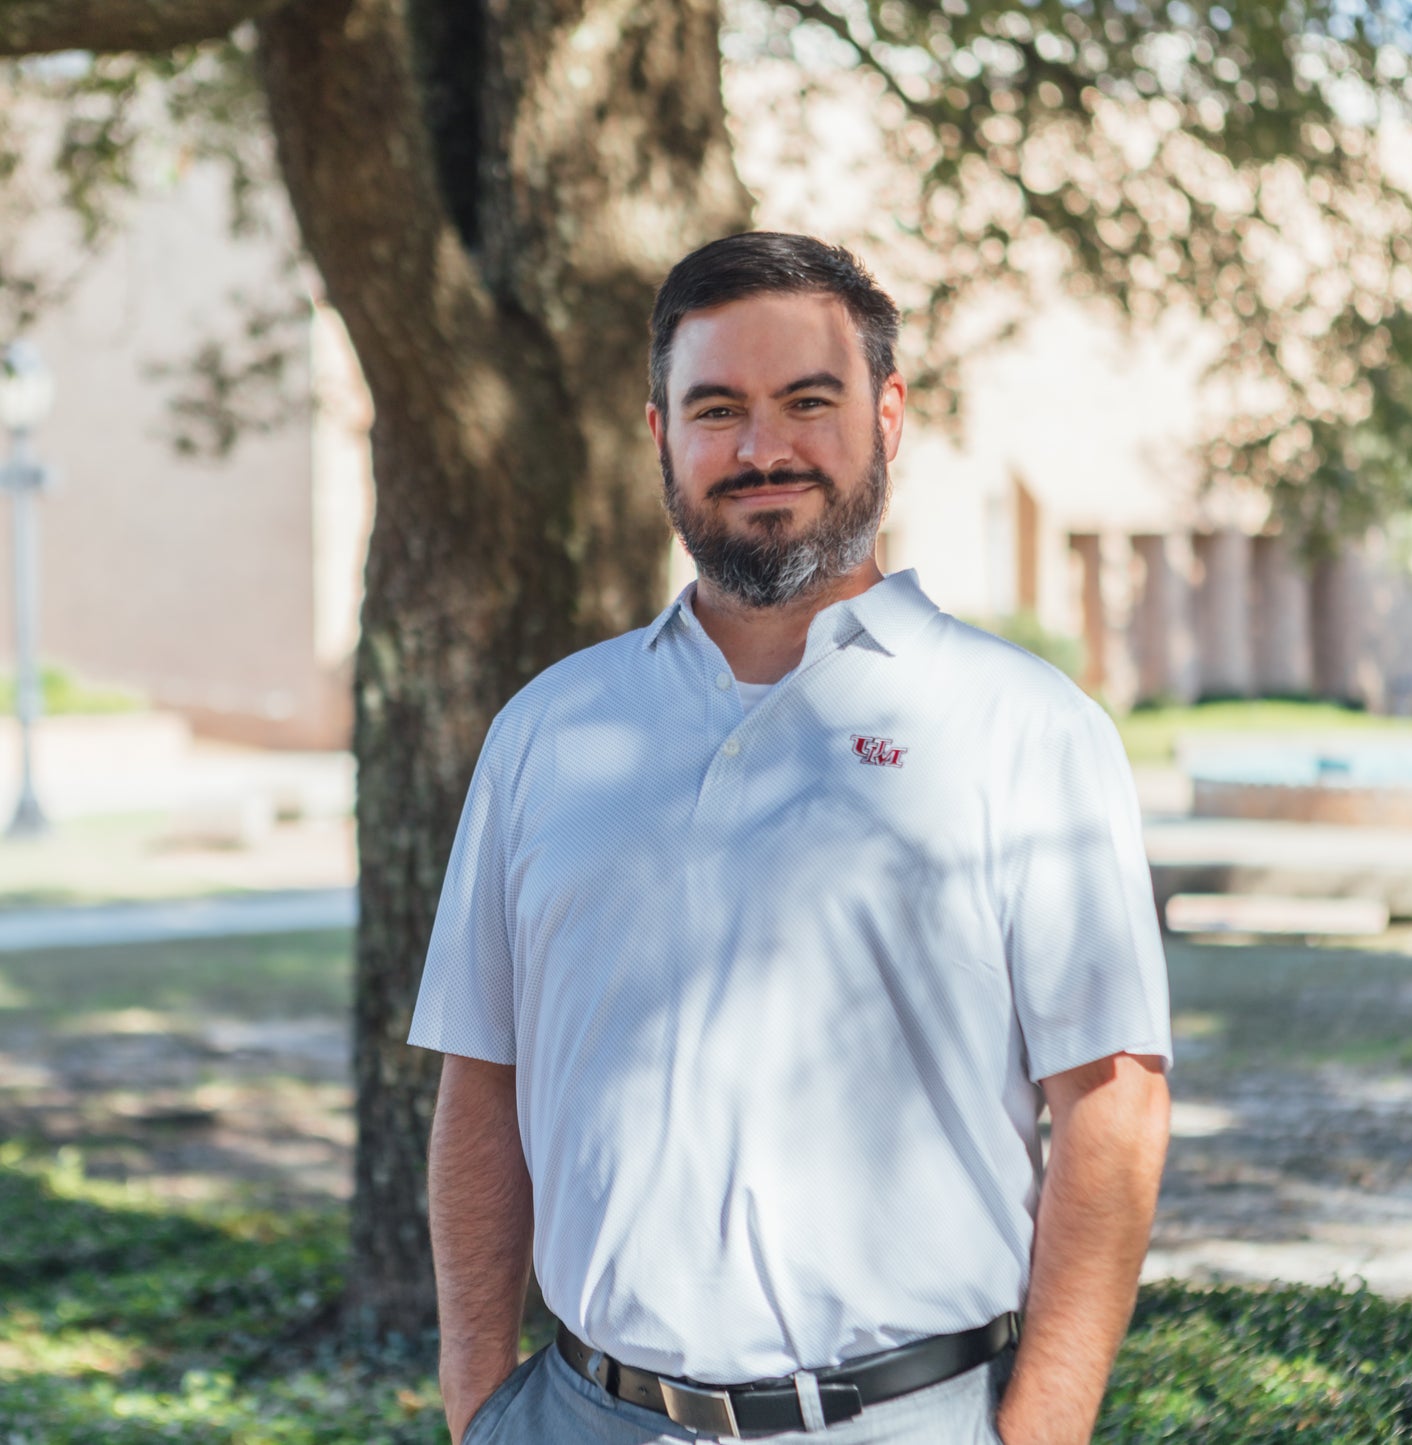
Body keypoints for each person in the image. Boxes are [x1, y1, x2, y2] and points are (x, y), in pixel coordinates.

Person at [408, 231, 1173, 1445]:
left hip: (904, 1418)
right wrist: (478, 1402)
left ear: (886, 415)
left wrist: (1040, 1431)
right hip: (576, 1413)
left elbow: (1111, 1099)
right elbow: (481, 1080)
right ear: (660, 434)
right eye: (716, 409)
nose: (762, 449)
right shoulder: (544, 731)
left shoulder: (1024, 727)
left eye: (806, 403)